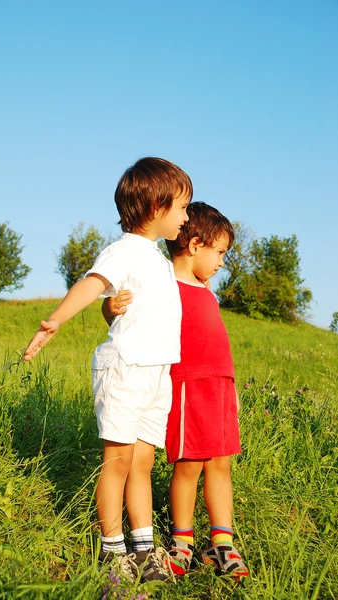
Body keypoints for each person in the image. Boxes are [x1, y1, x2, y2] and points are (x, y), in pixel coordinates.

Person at [24, 157, 193, 583]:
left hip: (157, 373)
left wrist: (111, 309)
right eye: (182, 208)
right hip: (126, 369)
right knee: (117, 460)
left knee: (142, 462)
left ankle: (143, 548)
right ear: (156, 207)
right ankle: (112, 550)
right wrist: (57, 319)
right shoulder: (123, 250)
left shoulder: (157, 259)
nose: (186, 217)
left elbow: (138, 310)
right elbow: (94, 283)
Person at [104, 202, 249, 580]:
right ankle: (182, 541)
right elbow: (124, 310)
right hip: (187, 385)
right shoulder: (164, 282)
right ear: (195, 245)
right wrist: (110, 308)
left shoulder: (205, 288)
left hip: (219, 385)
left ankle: (221, 543)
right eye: (219, 252)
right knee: (188, 464)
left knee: (220, 463)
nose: (221, 262)